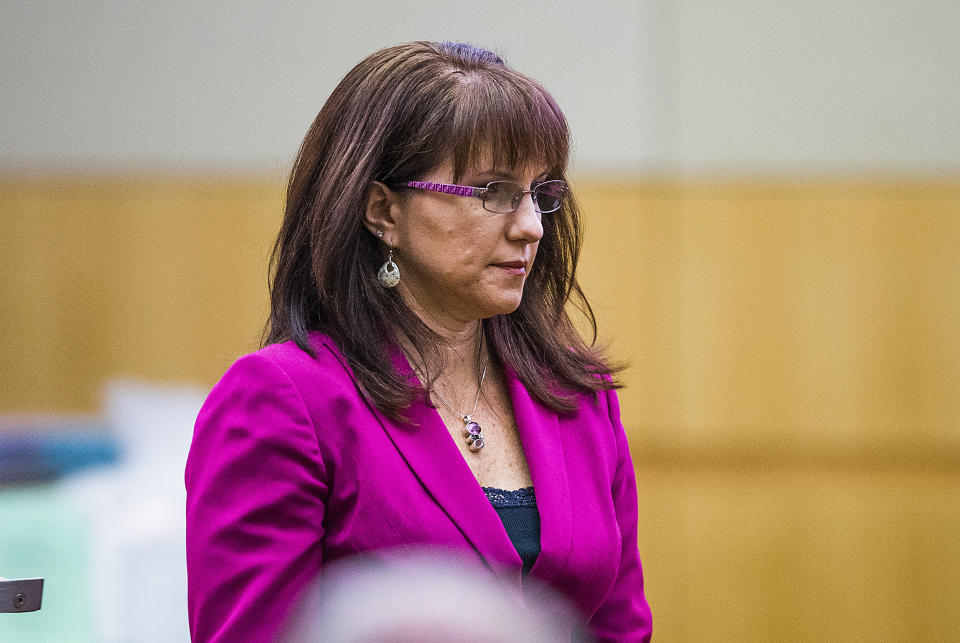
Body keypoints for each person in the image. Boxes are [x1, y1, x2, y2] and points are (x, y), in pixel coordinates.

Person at [185, 41, 652, 642]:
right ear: (383, 211)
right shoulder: (282, 400)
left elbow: (621, 630)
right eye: (493, 193)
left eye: (541, 193)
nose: (532, 225)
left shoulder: (577, 394)